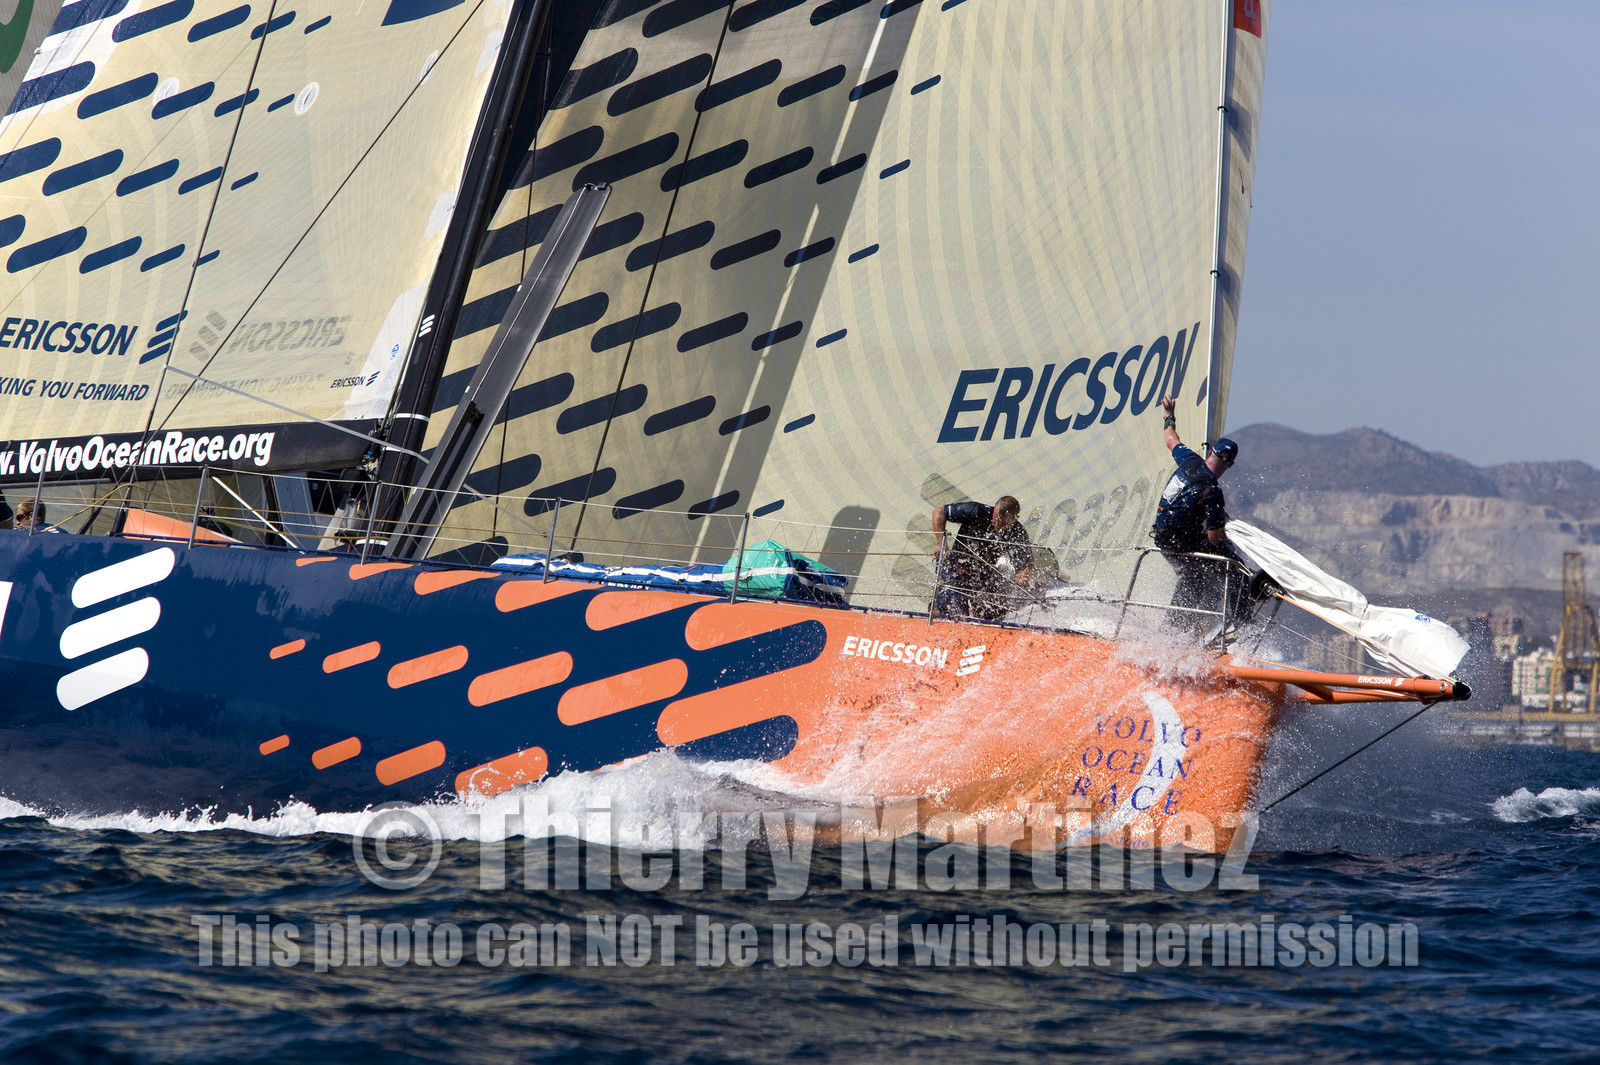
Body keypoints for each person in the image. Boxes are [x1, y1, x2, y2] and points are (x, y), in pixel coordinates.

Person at [1151, 395, 1244, 630]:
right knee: (1233, 565)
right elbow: (1213, 538)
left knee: (1197, 573)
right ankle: (1242, 625)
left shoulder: (1189, 460)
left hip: (1161, 537)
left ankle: (1175, 627)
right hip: (1181, 542)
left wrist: (1169, 415)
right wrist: (1225, 528)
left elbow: (1170, 439)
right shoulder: (1213, 491)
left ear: (1210, 452)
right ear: (1230, 464)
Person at [931, 496, 1034, 620]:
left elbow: (1025, 564)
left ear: (1014, 518)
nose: (996, 524)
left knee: (997, 608)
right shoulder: (976, 511)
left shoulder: (1017, 531)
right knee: (955, 610)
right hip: (956, 568)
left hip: (984, 578)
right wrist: (941, 544)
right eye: (996, 519)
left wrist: (1023, 574)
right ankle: (936, 615)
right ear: (994, 510)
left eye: (1003, 523)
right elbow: (939, 512)